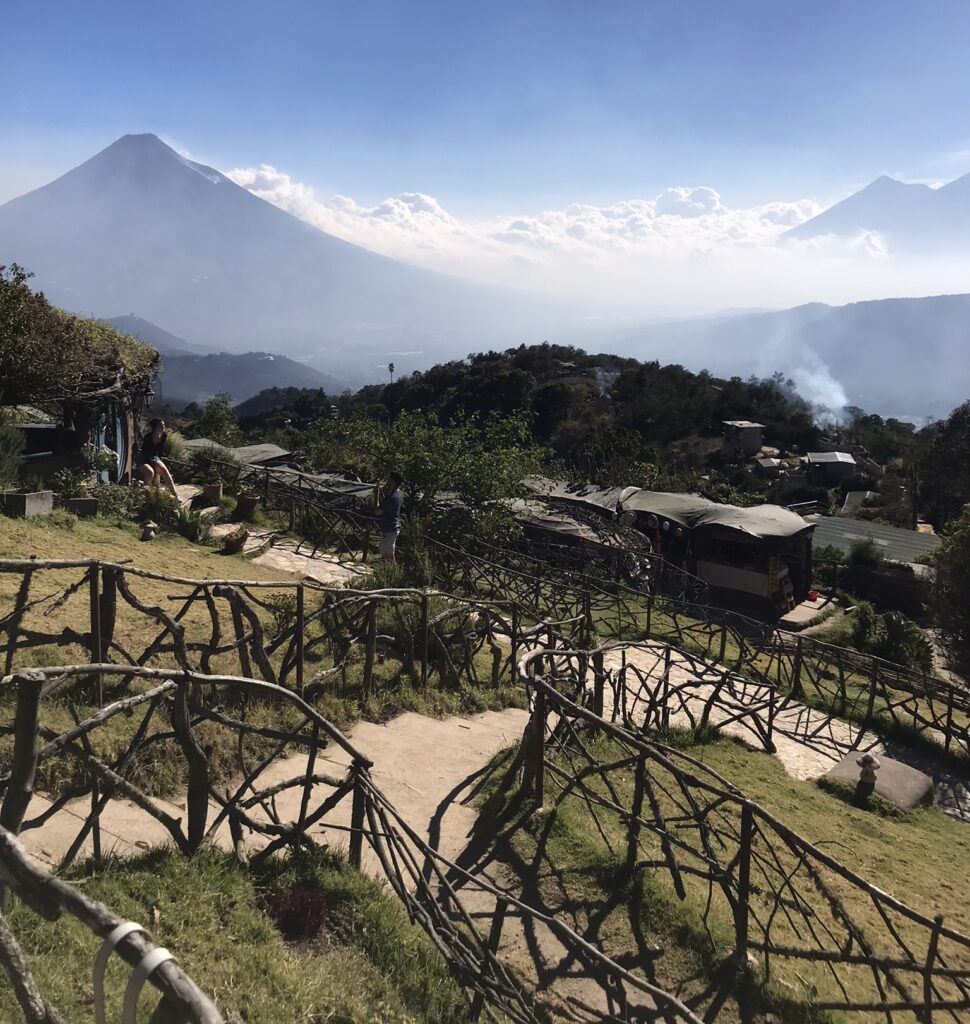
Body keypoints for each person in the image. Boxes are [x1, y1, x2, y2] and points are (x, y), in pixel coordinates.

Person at [139, 418, 176, 494]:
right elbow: (145, 453)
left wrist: (158, 461)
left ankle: (174, 494)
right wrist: (154, 464)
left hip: (155, 458)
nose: (163, 427)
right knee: (150, 472)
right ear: (155, 427)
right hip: (145, 459)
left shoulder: (164, 436)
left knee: (164, 470)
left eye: (164, 425)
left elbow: (160, 451)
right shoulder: (148, 437)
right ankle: (146, 494)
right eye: (160, 425)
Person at [374, 471, 403, 561]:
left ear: (394, 482)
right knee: (385, 553)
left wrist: (376, 495)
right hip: (392, 527)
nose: (388, 482)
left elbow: (377, 511)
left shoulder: (392, 497)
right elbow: (385, 504)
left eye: (389, 480)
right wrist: (381, 493)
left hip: (389, 529)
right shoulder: (399, 494)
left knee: (389, 556)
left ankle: (391, 573)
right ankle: (387, 571)